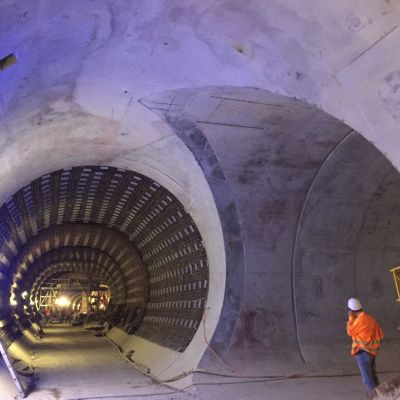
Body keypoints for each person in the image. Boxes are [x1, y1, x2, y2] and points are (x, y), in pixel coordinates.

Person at [346, 297, 384, 393]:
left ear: (352, 311)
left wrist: (350, 318)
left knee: (367, 380)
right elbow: (380, 333)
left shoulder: (360, 320)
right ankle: (380, 396)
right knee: (373, 377)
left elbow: (350, 331)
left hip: (363, 354)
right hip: (371, 353)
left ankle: (374, 397)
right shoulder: (370, 318)